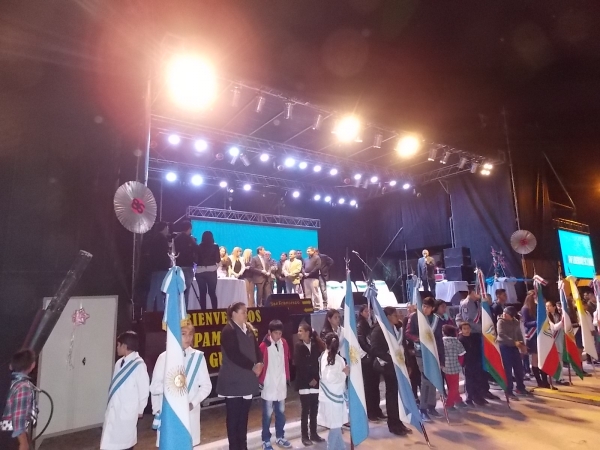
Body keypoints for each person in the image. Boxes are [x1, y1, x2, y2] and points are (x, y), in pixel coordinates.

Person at [150, 320, 211, 448]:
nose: (188, 338)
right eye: (184, 334)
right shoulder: (164, 357)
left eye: (190, 334)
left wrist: (192, 403)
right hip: (169, 413)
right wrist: (158, 409)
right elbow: (154, 387)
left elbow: (206, 386)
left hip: (189, 414)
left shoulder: (198, 357)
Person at [217, 302, 264, 450]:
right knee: (233, 419)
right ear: (234, 314)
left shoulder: (248, 329)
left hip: (247, 381)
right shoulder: (228, 331)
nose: (246, 314)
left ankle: (243, 447)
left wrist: (260, 362)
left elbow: (257, 349)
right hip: (233, 382)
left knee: (243, 418)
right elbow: (234, 354)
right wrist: (252, 366)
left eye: (246, 311)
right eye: (243, 312)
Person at [100, 331, 149, 450]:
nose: (117, 347)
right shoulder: (119, 363)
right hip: (115, 408)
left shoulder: (139, 365)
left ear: (125, 346)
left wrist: (140, 409)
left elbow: (144, 389)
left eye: (118, 345)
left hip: (128, 411)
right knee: (110, 441)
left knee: (124, 444)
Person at [371, 306, 412, 436]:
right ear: (388, 317)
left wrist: (407, 364)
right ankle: (394, 425)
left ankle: (399, 422)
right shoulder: (379, 330)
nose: (398, 317)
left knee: (399, 395)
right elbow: (375, 349)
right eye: (395, 315)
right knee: (392, 395)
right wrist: (391, 359)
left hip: (399, 365)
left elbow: (402, 347)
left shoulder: (396, 328)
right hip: (388, 367)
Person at [406, 297, 445, 421]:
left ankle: (431, 406)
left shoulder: (436, 319)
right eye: (423, 306)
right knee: (425, 379)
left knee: (433, 379)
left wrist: (442, 359)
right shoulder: (414, 317)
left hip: (433, 353)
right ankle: (423, 409)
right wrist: (418, 339)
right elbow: (408, 333)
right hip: (421, 352)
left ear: (433, 308)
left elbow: (439, 340)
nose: (425, 309)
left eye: (428, 307)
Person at [455, 289, 498, 400]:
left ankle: (484, 390)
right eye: (479, 291)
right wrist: (483, 329)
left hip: (480, 335)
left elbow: (486, 308)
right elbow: (468, 321)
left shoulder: (477, 302)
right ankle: (474, 394)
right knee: (474, 368)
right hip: (473, 336)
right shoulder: (466, 304)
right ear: (473, 292)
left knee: (483, 365)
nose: (481, 294)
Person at [258, 320, 292, 450]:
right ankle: (266, 440)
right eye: (276, 333)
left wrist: (287, 377)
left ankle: (280, 436)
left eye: (280, 333)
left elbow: (286, 361)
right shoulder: (263, 346)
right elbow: (260, 366)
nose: (278, 336)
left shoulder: (284, 343)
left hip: (281, 384)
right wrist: (260, 381)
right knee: (267, 414)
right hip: (269, 384)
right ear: (269, 332)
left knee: (281, 413)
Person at [294, 322, 325, 446]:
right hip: (304, 382)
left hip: (315, 381)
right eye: (298, 331)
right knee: (305, 409)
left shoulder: (316, 345)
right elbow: (299, 364)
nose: (299, 333)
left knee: (314, 409)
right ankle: (304, 436)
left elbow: (319, 363)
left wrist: (316, 378)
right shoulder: (298, 346)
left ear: (307, 332)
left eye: (301, 331)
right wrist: (309, 379)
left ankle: (314, 433)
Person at [318, 333, 349, 450]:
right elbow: (330, 378)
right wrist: (344, 373)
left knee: (336, 426)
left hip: (332, 397)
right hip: (333, 398)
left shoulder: (327, 356)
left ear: (325, 343)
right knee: (335, 427)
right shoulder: (333, 358)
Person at [1, 349, 38, 450]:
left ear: (11, 366)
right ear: (32, 365)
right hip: (13, 436)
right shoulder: (23, 387)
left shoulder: (10, 382)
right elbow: (18, 418)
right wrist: (23, 443)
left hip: (4, 433)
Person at [356, 305, 385, 421]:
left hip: (372, 357)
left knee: (375, 385)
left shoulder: (370, 323)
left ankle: (377, 410)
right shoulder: (360, 325)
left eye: (369, 311)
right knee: (369, 387)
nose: (368, 313)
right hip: (367, 359)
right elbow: (362, 342)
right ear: (361, 312)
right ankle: (371, 412)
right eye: (366, 311)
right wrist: (372, 351)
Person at [497, 306, 530, 399]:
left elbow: (519, 334)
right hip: (504, 346)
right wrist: (514, 342)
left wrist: (522, 345)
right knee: (507, 370)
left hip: (514, 347)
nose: (504, 315)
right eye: (504, 312)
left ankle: (520, 387)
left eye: (507, 314)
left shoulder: (516, 322)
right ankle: (508, 390)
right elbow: (501, 334)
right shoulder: (501, 321)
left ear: (512, 315)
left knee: (518, 368)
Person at [521, 290, 551, 388]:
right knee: (536, 359)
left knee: (543, 357)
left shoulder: (538, 307)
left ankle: (545, 380)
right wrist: (537, 322)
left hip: (540, 334)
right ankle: (539, 381)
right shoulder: (525, 309)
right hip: (532, 335)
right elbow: (526, 323)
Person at [458, 323, 488, 406]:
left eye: (468, 328)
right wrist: (463, 363)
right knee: (469, 381)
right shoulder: (460, 340)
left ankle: (478, 397)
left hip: (476, 361)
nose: (467, 330)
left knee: (478, 380)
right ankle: (469, 398)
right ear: (461, 330)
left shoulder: (475, 337)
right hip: (467, 363)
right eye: (464, 328)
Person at [145, 222, 171, 312]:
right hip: (162, 268)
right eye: (167, 228)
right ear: (164, 228)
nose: (168, 230)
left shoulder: (154, 238)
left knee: (152, 292)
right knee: (161, 292)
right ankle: (160, 312)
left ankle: (149, 311)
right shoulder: (163, 239)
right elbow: (165, 254)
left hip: (155, 268)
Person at [441, 324, 466, 410]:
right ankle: (449, 404)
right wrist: (460, 364)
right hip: (455, 367)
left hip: (445, 367)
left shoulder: (441, 342)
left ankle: (458, 399)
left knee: (451, 385)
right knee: (454, 387)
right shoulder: (457, 342)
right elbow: (461, 355)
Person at [173, 221, 197, 305]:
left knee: (179, 290)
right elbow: (195, 250)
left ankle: (177, 309)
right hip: (187, 266)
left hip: (178, 266)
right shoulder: (190, 239)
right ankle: (184, 309)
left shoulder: (176, 238)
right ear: (189, 229)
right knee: (186, 291)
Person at [195, 231, 220, 310]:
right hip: (211, 271)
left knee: (202, 293)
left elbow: (195, 260)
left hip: (200, 271)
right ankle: (215, 311)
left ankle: (203, 312)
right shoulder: (215, 246)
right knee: (212, 293)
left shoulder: (198, 247)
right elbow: (218, 259)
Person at [402, 304, 421, 402]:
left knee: (420, 376)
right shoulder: (407, 320)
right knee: (413, 376)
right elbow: (405, 336)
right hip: (411, 354)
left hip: (419, 352)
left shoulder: (419, 320)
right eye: (408, 308)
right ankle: (415, 397)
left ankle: (422, 396)